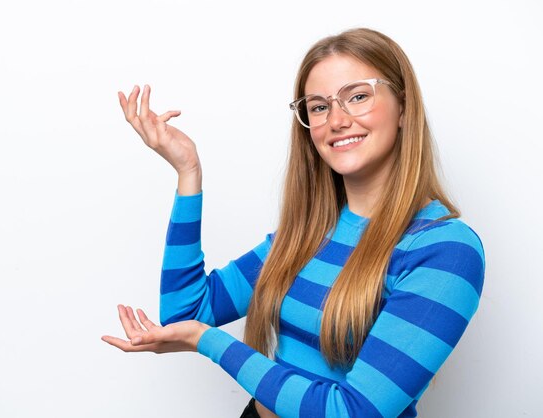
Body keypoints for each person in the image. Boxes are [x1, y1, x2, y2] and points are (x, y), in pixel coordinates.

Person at [101, 27, 485, 418]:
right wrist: (188, 172)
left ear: (403, 107)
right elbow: (184, 312)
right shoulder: (308, 234)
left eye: (357, 96)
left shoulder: (445, 251)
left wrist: (208, 342)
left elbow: (352, 411)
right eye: (319, 107)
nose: (337, 120)